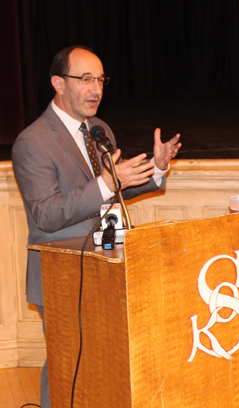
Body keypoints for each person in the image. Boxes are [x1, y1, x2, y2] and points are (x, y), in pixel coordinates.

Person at [12, 45, 181, 408]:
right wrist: (107, 182)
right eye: (85, 79)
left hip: (105, 264)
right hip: (63, 272)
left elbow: (114, 188)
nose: (96, 89)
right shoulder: (32, 142)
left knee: (105, 362)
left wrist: (157, 166)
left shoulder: (98, 130)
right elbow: (46, 213)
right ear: (58, 83)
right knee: (67, 363)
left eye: (100, 80)